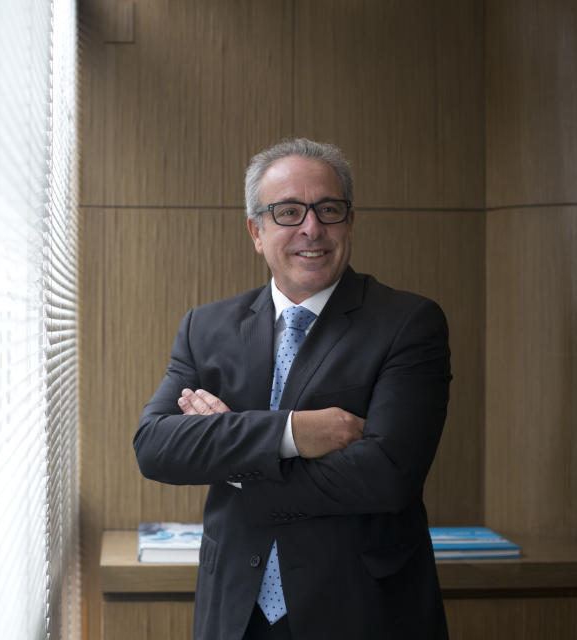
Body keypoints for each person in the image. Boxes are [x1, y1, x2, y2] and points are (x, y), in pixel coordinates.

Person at [134, 138, 451, 639]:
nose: (311, 228)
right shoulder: (207, 327)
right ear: (255, 231)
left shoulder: (408, 323)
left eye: (328, 209)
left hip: (360, 611)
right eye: (288, 212)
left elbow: (387, 474)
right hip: (237, 613)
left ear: (349, 222)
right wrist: (291, 434)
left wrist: (232, 455)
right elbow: (154, 447)